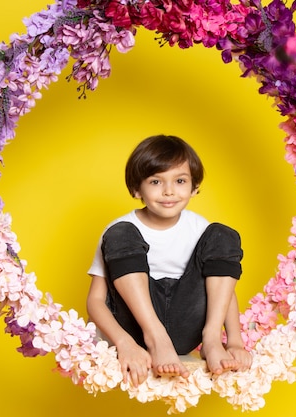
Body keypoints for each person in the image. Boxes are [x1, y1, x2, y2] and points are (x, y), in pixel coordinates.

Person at [86, 134, 252, 387]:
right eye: (155, 181)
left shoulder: (200, 228)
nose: (169, 191)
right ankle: (156, 338)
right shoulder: (121, 229)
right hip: (137, 329)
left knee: (223, 234)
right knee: (120, 232)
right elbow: (96, 300)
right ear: (136, 188)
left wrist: (235, 341)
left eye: (180, 180)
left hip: (187, 326)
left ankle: (210, 340)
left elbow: (224, 289)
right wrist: (124, 343)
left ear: (194, 187)